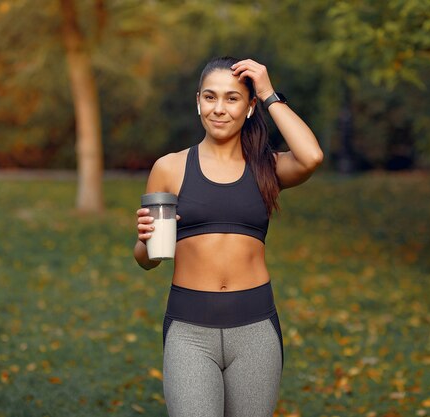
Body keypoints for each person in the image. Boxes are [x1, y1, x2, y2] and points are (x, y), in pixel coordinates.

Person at [133, 56, 323, 417]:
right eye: (210, 97)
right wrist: (145, 242)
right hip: (189, 332)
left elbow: (312, 156)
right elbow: (148, 260)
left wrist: (267, 92)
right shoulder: (169, 167)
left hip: (256, 332)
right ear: (198, 102)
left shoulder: (267, 167)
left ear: (250, 107)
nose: (219, 109)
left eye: (232, 98)